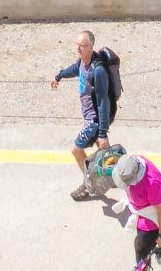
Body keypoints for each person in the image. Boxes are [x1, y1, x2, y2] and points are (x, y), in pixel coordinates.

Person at [49, 28, 115, 200]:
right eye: (77, 45)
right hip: (89, 118)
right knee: (103, 151)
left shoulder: (98, 71)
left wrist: (102, 133)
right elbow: (74, 69)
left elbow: (103, 103)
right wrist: (59, 76)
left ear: (91, 47)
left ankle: (89, 185)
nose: (78, 49)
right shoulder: (82, 62)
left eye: (82, 46)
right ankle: (117, 173)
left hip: (93, 121)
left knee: (76, 151)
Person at [112, 152, 161, 271]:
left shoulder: (152, 185)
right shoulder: (135, 161)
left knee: (141, 248)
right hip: (143, 211)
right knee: (152, 244)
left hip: (151, 218)